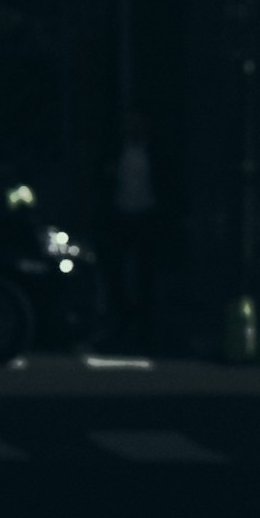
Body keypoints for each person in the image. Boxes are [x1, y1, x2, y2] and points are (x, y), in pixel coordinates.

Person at [105, 118, 163, 350]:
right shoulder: (118, 151)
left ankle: (144, 328)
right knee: (118, 271)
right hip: (123, 214)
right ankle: (124, 320)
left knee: (145, 274)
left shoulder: (152, 153)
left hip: (145, 214)